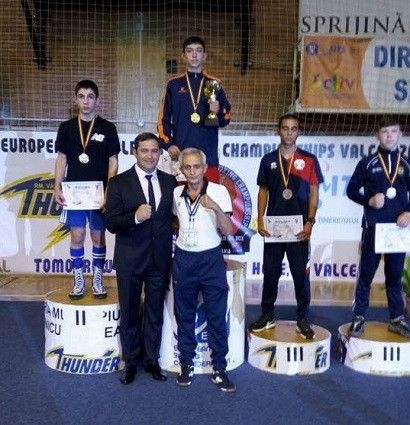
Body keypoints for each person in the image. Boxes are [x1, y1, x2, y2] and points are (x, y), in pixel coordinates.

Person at [105, 132, 177, 385]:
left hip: (160, 259)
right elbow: (111, 223)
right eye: (144, 150)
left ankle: (151, 360)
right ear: (134, 152)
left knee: (155, 312)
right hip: (130, 259)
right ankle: (131, 362)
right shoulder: (118, 183)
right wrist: (135, 217)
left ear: (160, 154)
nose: (150, 156)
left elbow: (174, 218)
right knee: (130, 312)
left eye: (154, 151)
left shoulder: (170, 181)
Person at [249, 113, 323, 339]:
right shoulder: (268, 160)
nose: (289, 133)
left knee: (301, 275)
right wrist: (261, 218)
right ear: (278, 130)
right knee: (270, 274)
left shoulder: (309, 160)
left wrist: (310, 221)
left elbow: (314, 192)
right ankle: (267, 314)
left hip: (299, 229)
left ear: (299, 131)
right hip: (274, 228)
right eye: (285, 128)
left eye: (293, 129)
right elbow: (263, 190)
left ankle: (303, 317)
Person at [172, 148, 236, 392]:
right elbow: (175, 220)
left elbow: (228, 230)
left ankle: (219, 368)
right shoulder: (176, 193)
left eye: (196, 166)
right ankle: (186, 363)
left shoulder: (219, 191)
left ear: (204, 167)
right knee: (184, 315)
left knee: (217, 316)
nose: (192, 172)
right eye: (187, 167)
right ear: (181, 169)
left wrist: (216, 208)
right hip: (184, 259)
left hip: (211, 260)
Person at [54, 80, 120, 300]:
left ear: (97, 100)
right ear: (76, 99)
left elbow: (113, 161)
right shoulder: (66, 128)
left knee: (98, 237)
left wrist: (110, 190)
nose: (85, 101)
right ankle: (79, 280)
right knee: (77, 235)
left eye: (90, 96)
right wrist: (56, 185)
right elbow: (62, 159)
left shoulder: (108, 128)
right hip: (74, 193)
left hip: (99, 193)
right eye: (81, 96)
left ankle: (98, 280)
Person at [346, 116, 410, 338]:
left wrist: (408, 212)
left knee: (394, 277)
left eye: (393, 131)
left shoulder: (406, 163)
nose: (389, 135)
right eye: (385, 132)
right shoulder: (367, 163)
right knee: (366, 276)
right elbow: (351, 190)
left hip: (397, 231)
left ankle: (396, 318)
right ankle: (358, 317)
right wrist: (369, 201)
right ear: (377, 135)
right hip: (373, 228)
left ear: (400, 134)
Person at [157, 36, 231, 183]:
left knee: (208, 197)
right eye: (190, 51)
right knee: (181, 197)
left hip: (208, 157)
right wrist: (169, 144)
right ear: (183, 56)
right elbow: (163, 120)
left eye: (199, 51)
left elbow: (226, 117)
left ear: (204, 55)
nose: (194, 55)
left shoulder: (214, 83)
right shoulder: (173, 85)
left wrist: (217, 112)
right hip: (181, 156)